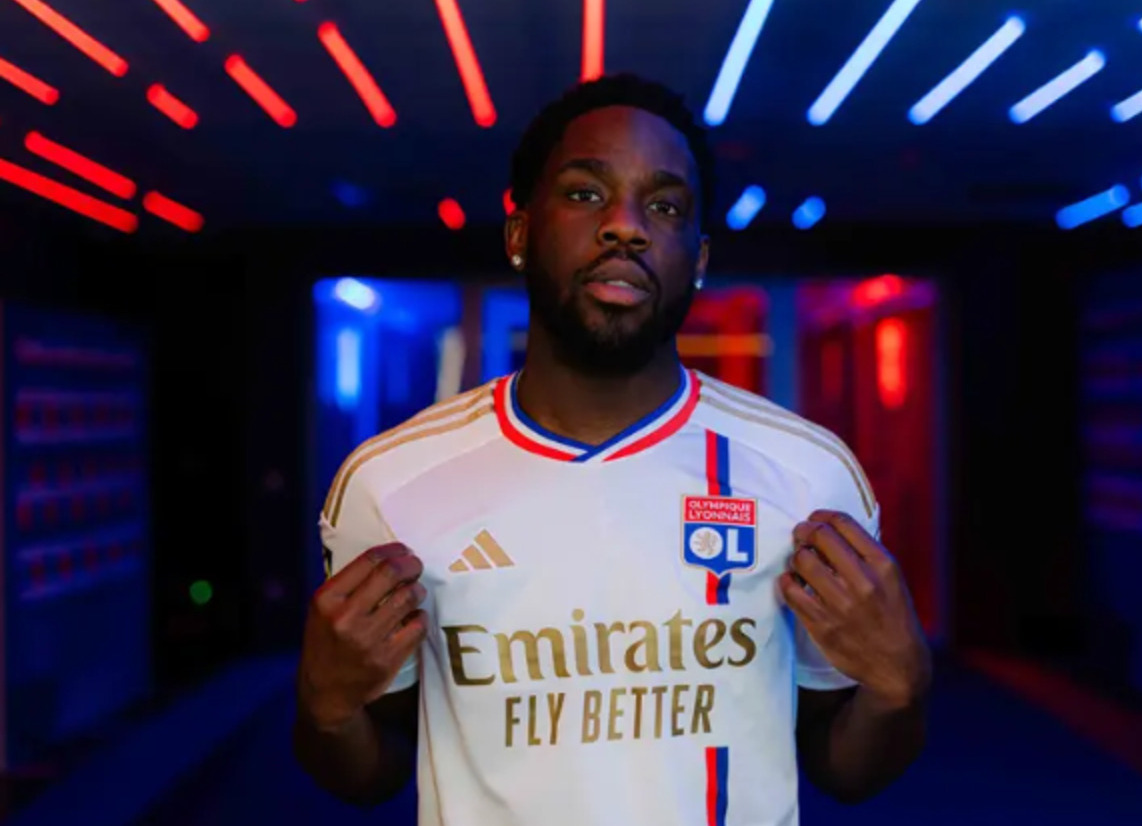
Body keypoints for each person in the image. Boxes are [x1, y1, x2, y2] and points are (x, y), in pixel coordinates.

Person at [293, 73, 932, 825]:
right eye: (586, 193)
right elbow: (374, 770)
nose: (626, 226)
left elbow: (840, 766)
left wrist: (900, 692)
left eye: (664, 207)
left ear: (698, 259)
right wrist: (324, 708)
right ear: (519, 234)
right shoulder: (390, 481)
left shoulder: (807, 473)